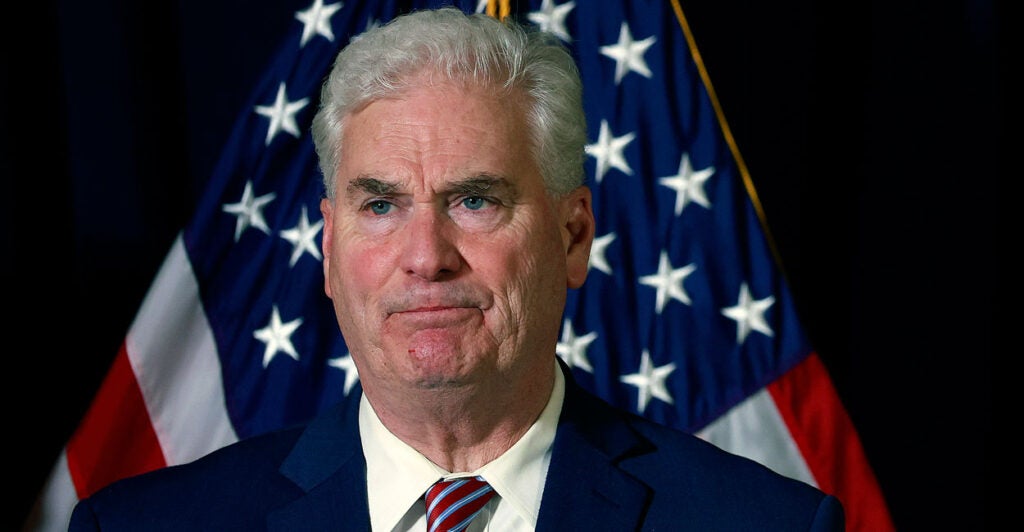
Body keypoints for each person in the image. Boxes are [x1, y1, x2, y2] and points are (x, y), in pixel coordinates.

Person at [68, 7, 844, 531]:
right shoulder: (144, 524)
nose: (425, 257)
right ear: (330, 248)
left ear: (574, 237)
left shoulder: (763, 522)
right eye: (381, 206)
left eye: (475, 200)